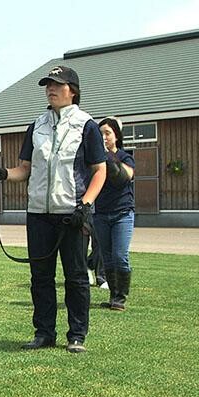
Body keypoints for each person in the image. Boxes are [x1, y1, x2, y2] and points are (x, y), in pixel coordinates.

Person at [0, 65, 106, 353]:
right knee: (40, 276)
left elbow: (99, 171)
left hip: (71, 213)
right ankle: (44, 333)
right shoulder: (36, 125)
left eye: (57, 84)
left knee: (76, 276)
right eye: (47, 85)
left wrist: (86, 204)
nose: (50, 89)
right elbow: (24, 169)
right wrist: (4, 173)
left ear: (72, 91)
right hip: (39, 213)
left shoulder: (87, 125)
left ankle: (76, 335)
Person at [94, 116, 135, 311]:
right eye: (100, 133)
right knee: (107, 257)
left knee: (120, 256)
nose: (103, 137)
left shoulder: (125, 157)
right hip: (101, 214)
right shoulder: (94, 161)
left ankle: (121, 297)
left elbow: (123, 177)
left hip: (122, 213)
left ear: (116, 136)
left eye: (107, 133)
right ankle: (113, 296)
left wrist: (107, 154)